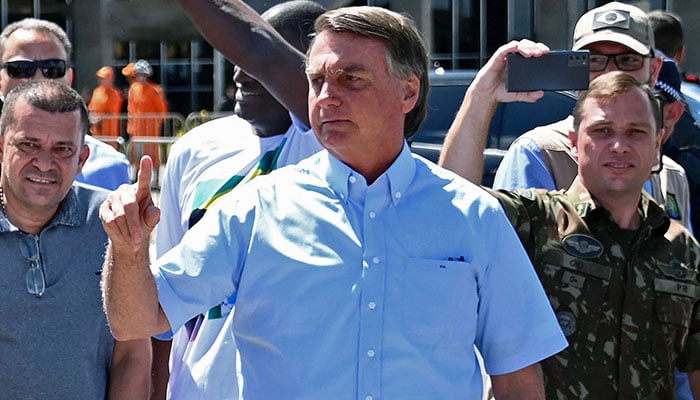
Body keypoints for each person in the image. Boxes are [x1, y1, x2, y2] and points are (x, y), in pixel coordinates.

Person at [100, 6, 568, 399]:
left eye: (351, 78)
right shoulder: (254, 210)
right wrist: (128, 250)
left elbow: (519, 380)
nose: (326, 97)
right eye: (317, 80)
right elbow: (139, 319)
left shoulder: (473, 216)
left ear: (408, 91)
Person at [440, 33, 700, 397]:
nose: (620, 146)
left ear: (657, 144)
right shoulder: (536, 222)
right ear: (574, 143)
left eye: (636, 132)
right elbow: (452, 207)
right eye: (602, 131)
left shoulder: (680, 248)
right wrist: (482, 96)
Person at [154, 1, 325, 398]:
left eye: (258, 61)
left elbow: (259, 48)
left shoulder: (330, 149)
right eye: (233, 56)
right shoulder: (196, 148)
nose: (240, 69)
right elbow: (162, 309)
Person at [0, 79, 151, 398]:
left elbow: (132, 353)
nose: (44, 162)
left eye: (62, 149)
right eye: (29, 144)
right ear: (1, 147)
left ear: (81, 159)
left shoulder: (112, 220)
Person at [0, 18, 130, 191]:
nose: (38, 79)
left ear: (69, 77)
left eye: (53, 68)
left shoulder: (109, 167)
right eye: (20, 68)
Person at [125, 58, 169, 171]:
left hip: (151, 128)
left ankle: (154, 174)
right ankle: (137, 174)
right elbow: (131, 108)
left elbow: (161, 109)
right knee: (137, 153)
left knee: (151, 152)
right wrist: (131, 125)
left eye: (143, 74)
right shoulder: (133, 89)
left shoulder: (154, 90)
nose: (141, 77)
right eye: (138, 74)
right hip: (137, 128)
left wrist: (158, 122)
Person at [88, 66, 124, 148]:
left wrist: (98, 120)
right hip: (96, 133)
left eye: (103, 78)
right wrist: (92, 119)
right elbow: (91, 108)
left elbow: (111, 111)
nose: (101, 80)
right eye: (100, 78)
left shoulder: (115, 94)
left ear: (110, 79)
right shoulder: (96, 91)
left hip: (109, 134)